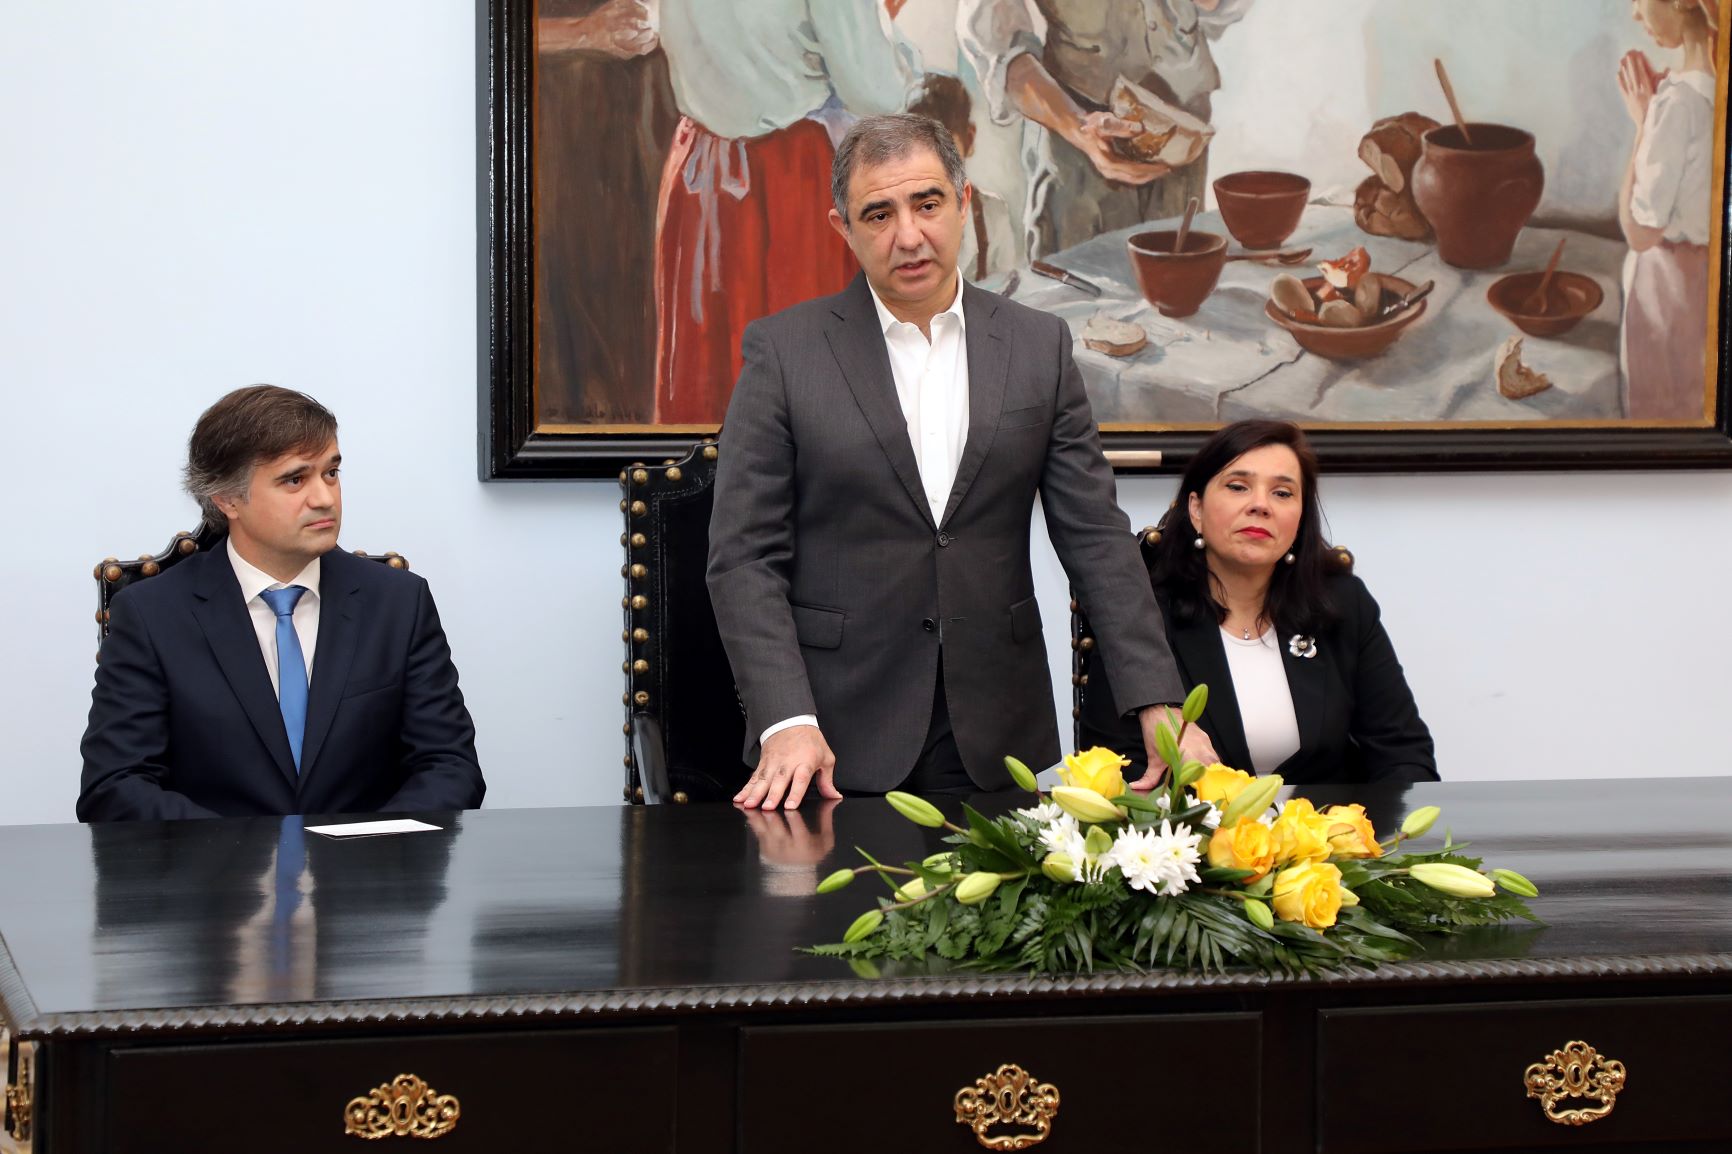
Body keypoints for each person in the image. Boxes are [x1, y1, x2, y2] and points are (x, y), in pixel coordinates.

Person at [706, 112, 1206, 811]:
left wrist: (1157, 700)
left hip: (995, 727)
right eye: (878, 214)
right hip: (829, 734)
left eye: (928, 203)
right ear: (842, 228)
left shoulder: (1039, 347)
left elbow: (1095, 536)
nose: (909, 235)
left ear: (964, 202)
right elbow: (744, 557)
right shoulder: (785, 352)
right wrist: (786, 719)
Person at [78, 386, 485, 821]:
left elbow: (450, 767)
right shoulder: (152, 615)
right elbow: (115, 786)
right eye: (295, 479)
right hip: (213, 864)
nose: (325, 498)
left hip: (369, 862)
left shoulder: (399, 603)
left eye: (331, 473)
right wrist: (245, 851)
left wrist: (368, 846)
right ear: (227, 498)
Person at [1079, 420, 1437, 786]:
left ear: (1300, 518)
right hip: (1189, 823)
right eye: (1238, 487)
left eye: (1282, 493)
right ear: (1196, 509)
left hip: (1328, 823)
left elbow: (1403, 753)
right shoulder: (1140, 616)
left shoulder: (1343, 604)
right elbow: (1117, 771)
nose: (1260, 505)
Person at [651, 0, 922, 425]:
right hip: (793, 176)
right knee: (813, 391)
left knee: (714, 383)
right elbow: (875, 92)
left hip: (702, 172)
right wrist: (901, 51)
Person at [957, 0, 1254, 258]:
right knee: (1079, 287)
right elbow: (1001, 50)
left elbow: (1222, 10)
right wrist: (1079, 127)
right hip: (1079, 152)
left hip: (1183, 146)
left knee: (1180, 284)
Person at [1617, 0, 1717, 420]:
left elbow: (1639, 232)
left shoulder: (1676, 104)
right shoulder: (1711, 91)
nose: (1634, 14)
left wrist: (1643, 125)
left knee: (1659, 412)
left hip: (1666, 296)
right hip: (1702, 288)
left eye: (1639, 0)